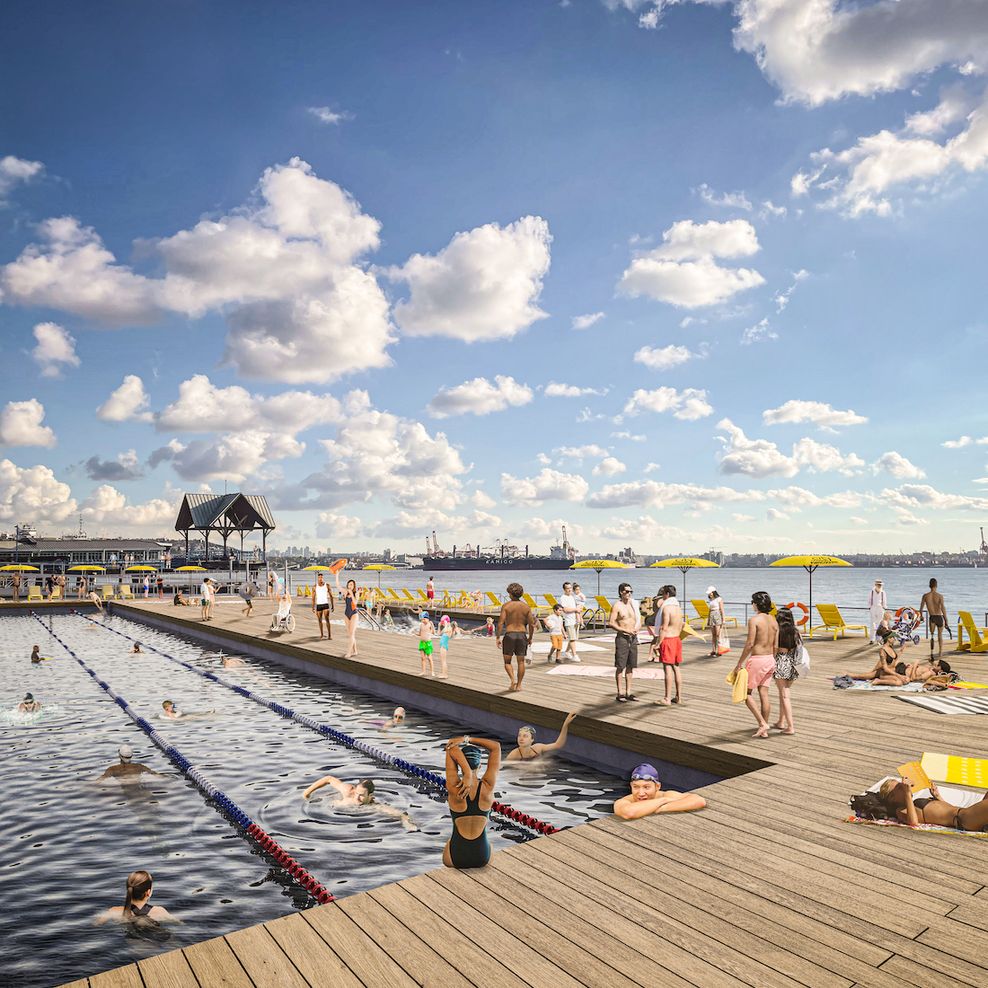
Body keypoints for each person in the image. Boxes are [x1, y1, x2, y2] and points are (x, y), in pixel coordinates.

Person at [443, 736, 499, 869]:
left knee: (449, 841)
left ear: (460, 764)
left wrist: (466, 772)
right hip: (482, 857)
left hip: (455, 857)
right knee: (490, 843)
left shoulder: (454, 787)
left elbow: (450, 747)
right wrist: (465, 739)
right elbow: (496, 746)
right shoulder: (488, 786)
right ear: (480, 765)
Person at [852, 779, 988, 833]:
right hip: (965, 819)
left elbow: (949, 809)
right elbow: (913, 822)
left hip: (967, 813)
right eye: (900, 787)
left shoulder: (913, 803)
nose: (905, 786)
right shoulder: (901, 810)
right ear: (892, 798)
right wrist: (906, 793)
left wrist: (938, 797)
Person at [734, 591, 778, 738]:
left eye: (752, 601)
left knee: (745, 693)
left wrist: (739, 663)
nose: (752, 604)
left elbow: (750, 644)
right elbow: (776, 645)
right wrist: (774, 660)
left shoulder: (754, 620)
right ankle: (763, 730)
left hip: (758, 659)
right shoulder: (773, 620)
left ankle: (762, 723)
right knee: (764, 694)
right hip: (771, 659)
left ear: (756, 604)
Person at [302, 774, 417, 829]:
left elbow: (400, 814)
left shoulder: (375, 806)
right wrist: (307, 792)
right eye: (357, 793)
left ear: (370, 796)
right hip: (334, 808)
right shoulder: (348, 791)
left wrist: (407, 822)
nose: (357, 797)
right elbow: (328, 779)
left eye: (361, 796)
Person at [613, 764, 707, 819]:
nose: (641, 793)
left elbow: (699, 801)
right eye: (636, 787)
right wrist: (662, 801)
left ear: (657, 786)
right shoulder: (624, 801)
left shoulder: (665, 794)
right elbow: (629, 812)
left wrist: (662, 808)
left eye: (646, 787)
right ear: (631, 786)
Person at [96, 871, 178, 925]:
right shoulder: (159, 911)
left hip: (130, 948)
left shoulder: (113, 911)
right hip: (157, 945)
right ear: (148, 893)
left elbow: (96, 925)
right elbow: (178, 924)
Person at [497, 583, 535, 692]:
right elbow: (531, 625)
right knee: (521, 662)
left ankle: (513, 680)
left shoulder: (506, 606)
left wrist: (498, 637)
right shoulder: (526, 607)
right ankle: (519, 685)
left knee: (507, 662)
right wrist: (530, 637)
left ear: (510, 593)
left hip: (509, 635)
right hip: (522, 635)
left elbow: (500, 623)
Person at [609, 582, 640, 703]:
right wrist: (624, 630)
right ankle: (619, 692)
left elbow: (637, 619)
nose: (629, 594)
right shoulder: (617, 606)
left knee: (630, 666)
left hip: (633, 638)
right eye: (627, 591)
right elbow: (611, 623)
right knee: (620, 666)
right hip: (622, 638)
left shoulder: (632, 604)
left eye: (631, 591)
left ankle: (628, 692)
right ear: (621, 592)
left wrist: (637, 628)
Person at [772, 607, 801, 735]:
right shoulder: (795, 631)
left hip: (781, 661)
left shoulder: (777, 630)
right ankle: (781, 721)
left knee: (784, 695)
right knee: (783, 693)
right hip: (793, 662)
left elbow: (775, 648)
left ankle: (790, 726)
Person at [656, 585, 685, 706]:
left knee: (667, 669)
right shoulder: (679, 608)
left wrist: (658, 643)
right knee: (676, 668)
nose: (662, 596)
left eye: (663, 594)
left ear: (667, 594)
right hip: (677, 639)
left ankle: (667, 698)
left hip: (668, 639)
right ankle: (678, 696)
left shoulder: (667, 608)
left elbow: (664, 627)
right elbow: (682, 624)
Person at [506, 712, 577, 760]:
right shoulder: (514, 754)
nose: (521, 738)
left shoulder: (538, 748)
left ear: (532, 739)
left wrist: (565, 725)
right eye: (519, 735)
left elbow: (558, 745)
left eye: (525, 736)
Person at [919, 578, 949, 657]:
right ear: (936, 585)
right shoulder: (940, 596)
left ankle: (932, 652)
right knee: (940, 635)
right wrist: (946, 620)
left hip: (932, 617)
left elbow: (921, 608)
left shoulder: (925, 596)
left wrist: (921, 616)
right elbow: (943, 608)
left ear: (929, 585)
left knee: (932, 635)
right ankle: (940, 652)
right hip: (939, 617)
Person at [337, 575, 359, 657]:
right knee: (350, 634)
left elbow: (355, 603)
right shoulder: (345, 592)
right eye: (349, 584)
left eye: (352, 585)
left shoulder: (356, 593)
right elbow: (338, 586)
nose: (350, 586)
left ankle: (349, 652)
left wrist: (351, 594)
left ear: (354, 586)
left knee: (352, 634)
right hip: (346, 614)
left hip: (354, 614)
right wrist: (337, 575)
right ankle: (355, 650)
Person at [559, 581, 581, 663]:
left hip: (574, 620)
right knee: (572, 639)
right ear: (564, 589)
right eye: (567, 588)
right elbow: (565, 609)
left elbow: (576, 608)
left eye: (570, 588)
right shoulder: (563, 598)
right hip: (568, 621)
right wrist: (576, 609)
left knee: (573, 637)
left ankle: (567, 652)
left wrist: (578, 617)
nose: (569, 590)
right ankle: (574, 655)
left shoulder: (572, 597)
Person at [311, 572, 334, 640]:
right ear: (317, 578)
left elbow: (331, 596)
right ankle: (322, 634)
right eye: (319, 577)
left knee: (327, 620)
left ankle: (329, 635)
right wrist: (313, 607)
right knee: (319, 620)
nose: (320, 579)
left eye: (321, 577)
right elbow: (313, 598)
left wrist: (332, 606)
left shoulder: (327, 585)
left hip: (325, 604)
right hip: (318, 605)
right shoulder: (315, 587)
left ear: (323, 578)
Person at [706, 586, 726, 657]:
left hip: (717, 615)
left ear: (713, 592)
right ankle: (713, 650)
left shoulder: (719, 599)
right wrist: (708, 619)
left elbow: (722, 609)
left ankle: (719, 651)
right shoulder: (711, 600)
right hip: (712, 615)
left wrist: (723, 619)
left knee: (718, 634)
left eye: (710, 593)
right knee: (713, 635)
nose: (709, 594)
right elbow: (710, 609)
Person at [417, 611, 435, 676]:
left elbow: (433, 632)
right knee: (422, 658)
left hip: (428, 643)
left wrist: (431, 629)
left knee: (429, 658)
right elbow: (419, 633)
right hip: (422, 643)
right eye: (422, 619)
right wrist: (415, 634)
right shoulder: (421, 625)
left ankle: (432, 671)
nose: (423, 621)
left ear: (427, 618)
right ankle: (423, 671)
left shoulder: (430, 624)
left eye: (424, 619)